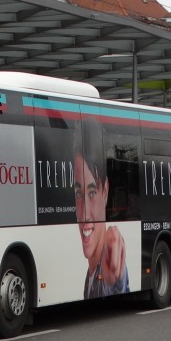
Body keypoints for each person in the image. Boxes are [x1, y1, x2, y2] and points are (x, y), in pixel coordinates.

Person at [74, 121, 128, 299]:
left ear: (105, 192)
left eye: (92, 193)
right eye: (79, 193)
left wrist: (115, 280)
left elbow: (117, 281)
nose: (84, 214)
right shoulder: (88, 279)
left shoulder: (109, 263)